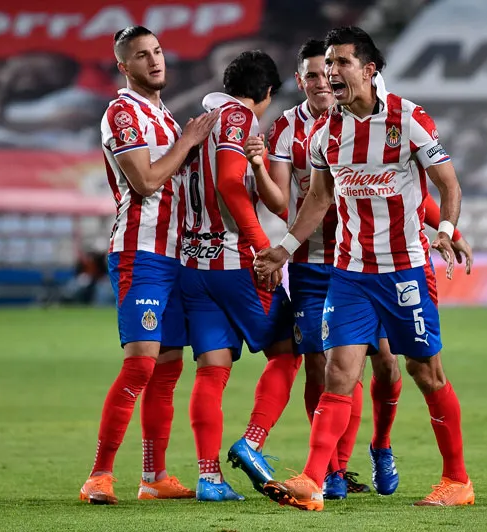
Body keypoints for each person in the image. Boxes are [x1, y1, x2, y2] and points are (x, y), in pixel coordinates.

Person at [254, 26, 475, 510]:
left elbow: (449, 185)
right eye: (327, 64)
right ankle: (313, 479)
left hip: (405, 271)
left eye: (341, 63)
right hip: (350, 274)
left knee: (424, 370)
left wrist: (447, 231)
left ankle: (457, 480)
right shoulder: (325, 133)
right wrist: (286, 247)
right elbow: (318, 197)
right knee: (339, 374)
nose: (331, 72)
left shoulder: (408, 119)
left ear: (369, 70)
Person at [79, 25, 218, 505]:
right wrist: (189, 141)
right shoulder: (121, 112)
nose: (154, 60)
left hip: (178, 255)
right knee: (139, 365)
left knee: (166, 370)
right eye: (141, 55)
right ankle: (98, 475)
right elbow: (145, 180)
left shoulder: (163, 115)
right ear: (124, 66)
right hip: (142, 253)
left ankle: (154, 476)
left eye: (157, 51)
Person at [178, 50, 301, 502]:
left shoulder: (202, 121)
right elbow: (231, 183)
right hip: (234, 263)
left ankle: (209, 477)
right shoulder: (238, 121)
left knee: (212, 370)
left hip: (194, 265)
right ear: (267, 92)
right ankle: (252, 441)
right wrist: (258, 248)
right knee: (287, 351)